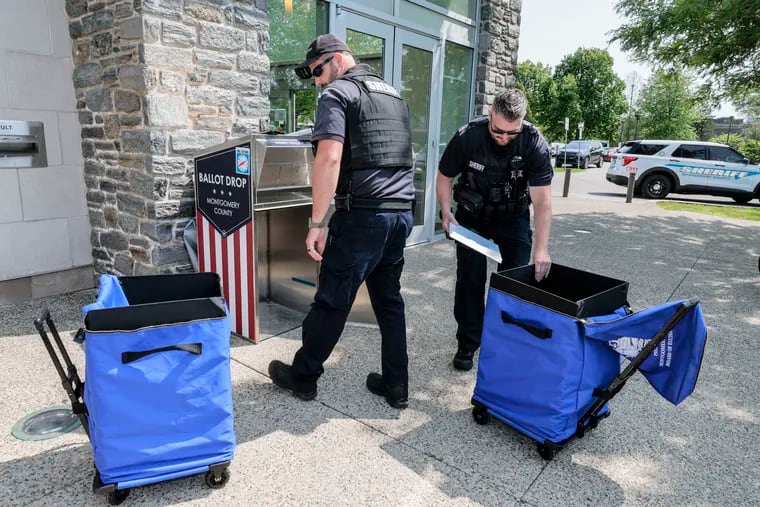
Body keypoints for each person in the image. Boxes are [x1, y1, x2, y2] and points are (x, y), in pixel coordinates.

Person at [268, 34, 415, 409]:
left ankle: (303, 377)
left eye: (318, 71)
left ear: (336, 60)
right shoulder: (393, 95)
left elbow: (329, 159)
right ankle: (397, 386)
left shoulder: (338, 95)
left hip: (363, 216)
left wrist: (317, 223)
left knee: (332, 299)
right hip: (400, 214)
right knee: (389, 300)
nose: (318, 80)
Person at [436, 88, 553, 371]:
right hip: (472, 218)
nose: (503, 137)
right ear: (490, 115)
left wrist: (541, 249)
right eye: (498, 129)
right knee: (470, 279)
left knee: (514, 284)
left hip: (513, 218)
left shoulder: (533, 142)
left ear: (522, 123)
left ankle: (504, 344)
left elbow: (542, 201)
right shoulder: (468, 136)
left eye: (511, 132)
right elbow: (445, 176)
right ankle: (467, 343)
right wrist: (445, 211)